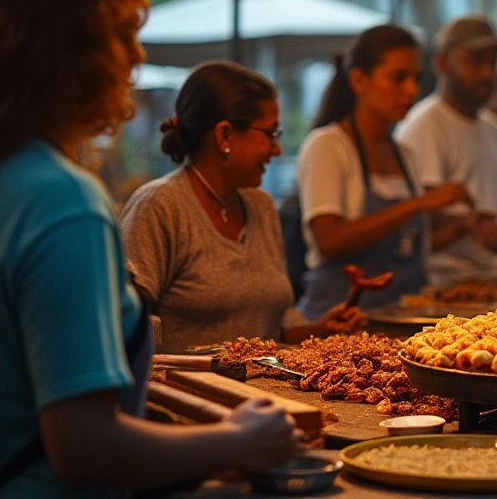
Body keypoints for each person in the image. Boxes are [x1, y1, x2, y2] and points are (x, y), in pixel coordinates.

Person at [0, 0, 295, 497]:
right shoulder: (62, 201)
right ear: (69, 47)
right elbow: (84, 445)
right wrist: (236, 438)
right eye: (124, 31)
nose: (136, 54)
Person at [121, 61, 364, 353]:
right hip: (189, 395)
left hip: (262, 393)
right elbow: (128, 326)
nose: (277, 150)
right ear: (224, 136)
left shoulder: (259, 204)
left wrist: (321, 329)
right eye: (270, 134)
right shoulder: (159, 207)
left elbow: (276, 319)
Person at [297, 26, 474, 315]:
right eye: (398, 78)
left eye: (416, 79)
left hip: (397, 320)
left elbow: (404, 248)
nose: (412, 90)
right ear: (358, 79)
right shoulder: (328, 146)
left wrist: (464, 227)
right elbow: (329, 241)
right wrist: (418, 204)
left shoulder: (404, 155)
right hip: (338, 326)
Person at [395, 15, 497, 288]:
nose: (486, 73)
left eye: (492, 62)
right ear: (442, 63)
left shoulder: (495, 128)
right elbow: (416, 221)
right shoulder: (424, 125)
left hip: (496, 278)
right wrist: (469, 223)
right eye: (475, 61)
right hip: (445, 286)